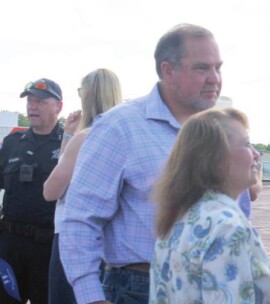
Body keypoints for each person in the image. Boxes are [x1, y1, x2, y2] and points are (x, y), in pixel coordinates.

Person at [60, 24, 227, 304]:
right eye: (201, 68)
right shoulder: (120, 127)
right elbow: (80, 219)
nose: (214, 79)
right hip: (140, 289)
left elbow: (238, 211)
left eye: (218, 68)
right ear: (167, 70)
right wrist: (90, 297)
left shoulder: (224, 131)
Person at [150, 108, 270, 303]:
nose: (256, 154)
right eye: (246, 144)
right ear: (217, 160)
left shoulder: (178, 217)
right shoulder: (228, 227)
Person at [43, 69, 123, 304]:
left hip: (74, 236)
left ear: (87, 96)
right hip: (111, 243)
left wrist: (68, 136)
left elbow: (51, 191)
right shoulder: (123, 137)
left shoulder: (86, 138)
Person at [0, 78, 64, 303]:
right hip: (9, 247)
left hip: (47, 249)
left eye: (39, 101)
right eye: (29, 101)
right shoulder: (13, 143)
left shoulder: (68, 145)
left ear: (59, 106)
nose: (32, 106)